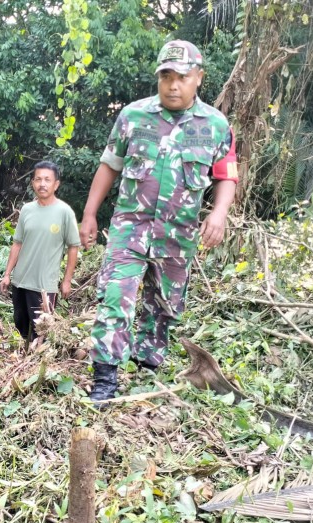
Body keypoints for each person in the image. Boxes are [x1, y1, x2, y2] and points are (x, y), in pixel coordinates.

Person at [80, 40, 238, 403]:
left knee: (164, 306)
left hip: (177, 235)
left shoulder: (215, 124)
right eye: (166, 75)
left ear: (198, 77)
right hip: (129, 228)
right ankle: (105, 378)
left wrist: (218, 213)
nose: (173, 84)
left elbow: (226, 174)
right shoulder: (133, 116)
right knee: (116, 296)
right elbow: (109, 166)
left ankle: (145, 368)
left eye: (182, 76)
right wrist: (89, 214)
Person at [0, 161, 81, 342]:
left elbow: (73, 247)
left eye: (47, 180)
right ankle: (25, 361)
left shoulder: (64, 212)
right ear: (32, 183)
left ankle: (38, 365)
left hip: (44, 286)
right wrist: (7, 274)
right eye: (38, 179)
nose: (42, 184)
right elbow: (17, 244)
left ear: (56, 184)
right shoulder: (27, 210)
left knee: (41, 331)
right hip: (20, 281)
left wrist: (67, 281)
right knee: (20, 324)